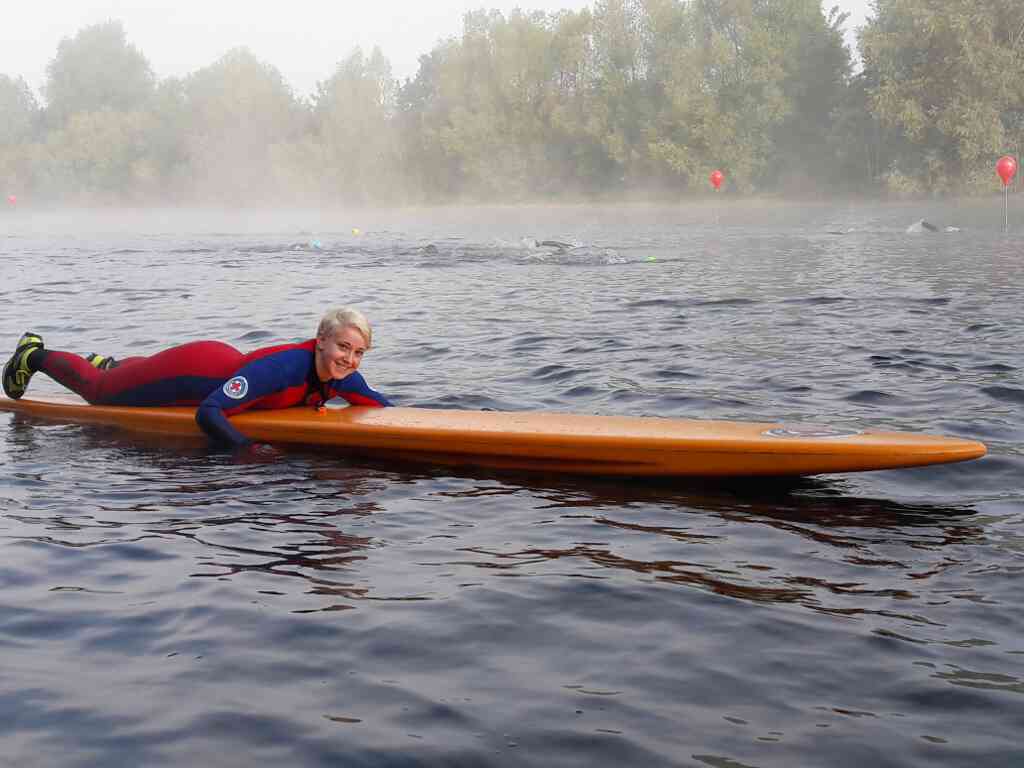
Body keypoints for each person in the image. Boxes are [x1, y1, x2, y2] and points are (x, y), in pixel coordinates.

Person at [2, 307, 392, 449]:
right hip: (193, 372)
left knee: (126, 377)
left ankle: (113, 364)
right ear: (321, 340)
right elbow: (209, 412)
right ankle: (33, 354)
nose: (350, 359)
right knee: (100, 392)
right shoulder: (283, 368)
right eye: (343, 347)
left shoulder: (343, 375)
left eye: (358, 352)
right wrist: (251, 450)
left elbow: (382, 407)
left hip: (219, 363)